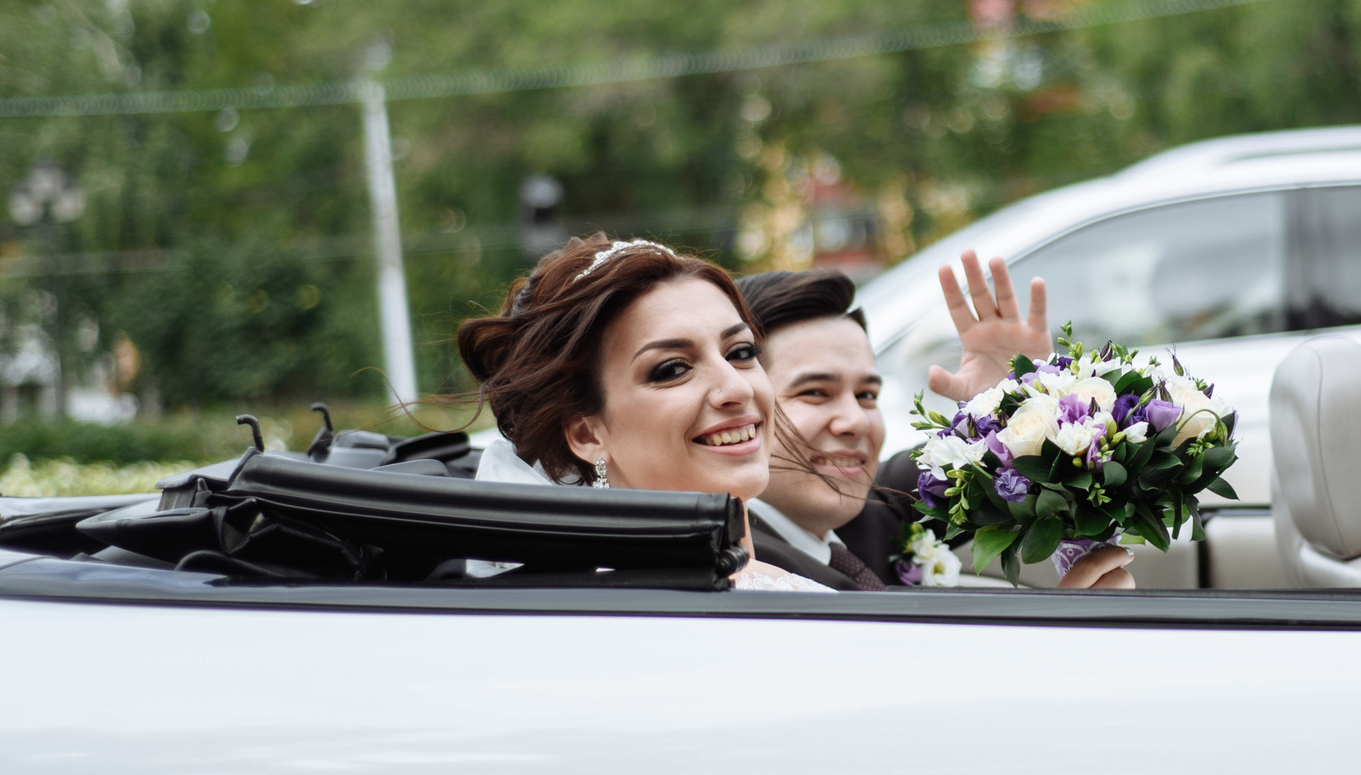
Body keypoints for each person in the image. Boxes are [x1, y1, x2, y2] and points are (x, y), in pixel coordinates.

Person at [736, 253, 1135, 591]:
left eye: (867, 396)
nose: (855, 421)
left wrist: (1013, 402)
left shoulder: (879, 511)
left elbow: (961, 467)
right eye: (815, 393)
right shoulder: (731, 562)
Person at [457, 235, 831, 591]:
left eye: (741, 352)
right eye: (672, 369)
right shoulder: (607, 619)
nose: (737, 388)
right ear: (587, 434)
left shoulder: (799, 584)